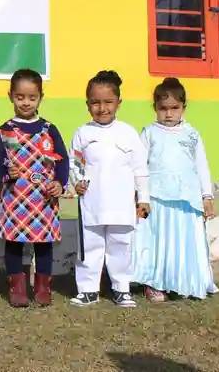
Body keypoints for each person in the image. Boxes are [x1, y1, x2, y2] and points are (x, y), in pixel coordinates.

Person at [0, 68, 69, 307]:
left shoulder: (49, 129)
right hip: (15, 197)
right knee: (14, 243)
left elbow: (62, 161)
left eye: (32, 97)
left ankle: (43, 288)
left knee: (43, 244)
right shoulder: (5, 130)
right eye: (20, 97)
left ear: (40, 98)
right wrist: (6, 172)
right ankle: (17, 288)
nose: (26, 102)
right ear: (10, 96)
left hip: (44, 198)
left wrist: (59, 183)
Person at [69, 70, 149, 308]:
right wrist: (77, 181)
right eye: (95, 102)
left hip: (122, 205)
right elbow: (75, 162)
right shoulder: (83, 133)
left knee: (120, 246)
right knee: (89, 247)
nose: (102, 108)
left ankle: (121, 289)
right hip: (92, 203)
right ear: (87, 104)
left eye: (108, 102)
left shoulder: (129, 133)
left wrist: (143, 199)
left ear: (118, 103)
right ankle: (88, 290)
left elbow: (140, 169)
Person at [133, 77, 218, 301]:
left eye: (174, 108)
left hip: (186, 200)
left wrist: (206, 196)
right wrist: (139, 196)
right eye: (163, 108)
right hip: (156, 199)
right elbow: (139, 166)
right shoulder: (149, 133)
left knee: (184, 242)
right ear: (155, 108)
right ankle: (155, 284)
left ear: (183, 108)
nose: (169, 114)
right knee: (156, 242)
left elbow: (202, 166)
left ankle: (186, 283)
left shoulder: (192, 134)